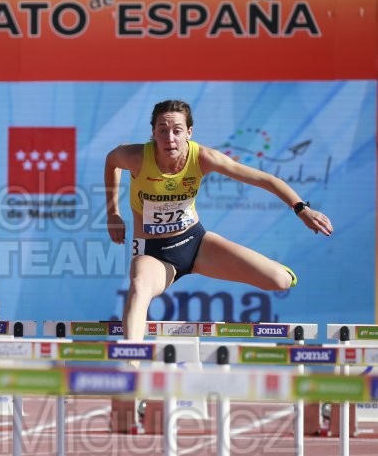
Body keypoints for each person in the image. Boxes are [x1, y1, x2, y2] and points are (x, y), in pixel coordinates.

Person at [104, 99, 333, 342]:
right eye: (162, 130)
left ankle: (279, 271)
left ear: (189, 133)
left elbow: (263, 179)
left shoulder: (203, 157)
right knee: (139, 287)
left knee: (280, 281)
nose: (169, 138)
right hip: (153, 253)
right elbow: (111, 162)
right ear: (153, 132)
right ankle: (132, 365)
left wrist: (301, 208)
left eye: (177, 131)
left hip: (195, 244)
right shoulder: (136, 157)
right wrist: (112, 213)